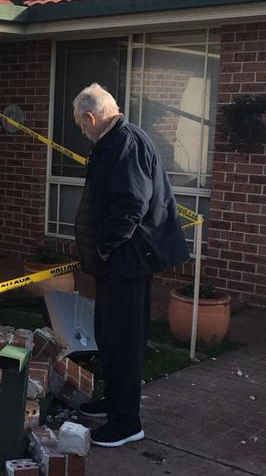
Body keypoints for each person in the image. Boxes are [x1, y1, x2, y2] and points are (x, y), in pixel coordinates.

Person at [72, 83, 189, 447]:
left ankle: (127, 422)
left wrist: (104, 247)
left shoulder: (126, 143)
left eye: (81, 125)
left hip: (128, 262)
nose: (82, 132)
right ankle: (113, 402)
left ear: (92, 117)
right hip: (115, 265)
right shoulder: (112, 141)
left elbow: (131, 204)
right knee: (108, 335)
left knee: (123, 341)